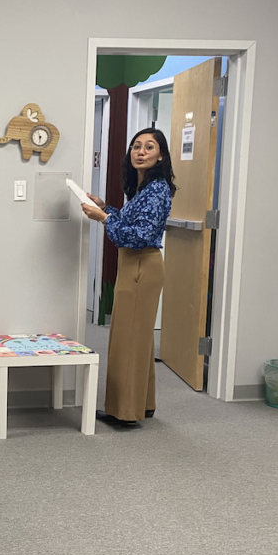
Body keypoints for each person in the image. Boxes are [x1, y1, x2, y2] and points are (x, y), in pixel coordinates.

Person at [81, 127, 176, 426]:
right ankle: (143, 403)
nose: (141, 152)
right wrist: (105, 208)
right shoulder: (144, 188)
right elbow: (129, 222)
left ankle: (124, 412)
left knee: (128, 338)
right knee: (139, 338)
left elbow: (139, 236)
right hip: (135, 264)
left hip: (141, 264)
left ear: (161, 155)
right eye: (136, 146)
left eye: (149, 147)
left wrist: (104, 219)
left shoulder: (158, 188)